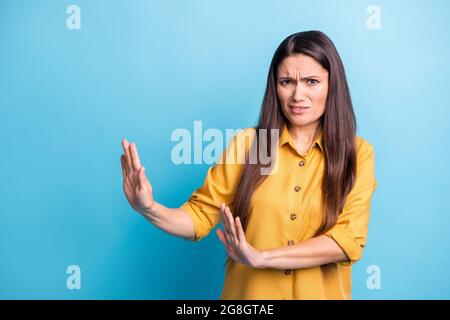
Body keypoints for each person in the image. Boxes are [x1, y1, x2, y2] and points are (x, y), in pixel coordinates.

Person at [120, 30, 378, 300]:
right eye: (287, 81)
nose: (297, 95)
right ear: (274, 87)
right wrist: (149, 208)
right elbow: (199, 216)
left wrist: (261, 257)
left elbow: (347, 240)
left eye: (311, 81)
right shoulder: (251, 146)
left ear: (332, 85)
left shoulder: (358, 154)